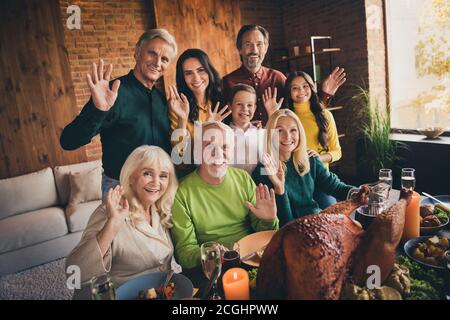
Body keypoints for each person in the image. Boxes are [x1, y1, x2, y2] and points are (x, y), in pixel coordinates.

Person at [60, 29, 177, 200]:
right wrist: (98, 110)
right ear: (137, 52)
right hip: (121, 190)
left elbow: (172, 152)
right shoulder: (112, 92)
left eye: (165, 59)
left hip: (157, 191)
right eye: (152, 53)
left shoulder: (162, 99)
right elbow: (68, 141)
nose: (158, 62)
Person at [66, 145, 181, 290]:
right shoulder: (109, 212)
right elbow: (74, 275)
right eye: (147, 173)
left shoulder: (161, 210)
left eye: (163, 176)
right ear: (131, 177)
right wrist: (112, 224)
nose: (156, 182)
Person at [171, 121, 278, 269]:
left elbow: (264, 235)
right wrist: (210, 253)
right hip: (212, 268)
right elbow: (184, 253)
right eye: (209, 146)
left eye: (225, 147)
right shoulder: (181, 192)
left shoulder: (243, 178)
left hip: (250, 260)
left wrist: (268, 220)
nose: (218, 153)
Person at [223, 24, 346, 126]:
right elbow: (222, 124)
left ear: (265, 48)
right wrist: (245, 129)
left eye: (259, 44)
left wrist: (324, 94)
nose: (254, 50)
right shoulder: (227, 82)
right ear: (239, 48)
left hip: (280, 148)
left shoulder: (278, 78)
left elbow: (303, 111)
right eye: (248, 44)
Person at [252, 109, 355, 227]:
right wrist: (279, 188)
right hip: (289, 231)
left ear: (300, 133)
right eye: (280, 131)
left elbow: (336, 187)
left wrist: (361, 193)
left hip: (317, 222)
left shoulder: (310, 160)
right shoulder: (263, 171)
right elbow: (284, 223)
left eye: (293, 130)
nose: (287, 136)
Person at [265, 71, 343, 208]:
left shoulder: (325, 115)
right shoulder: (286, 117)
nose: (301, 91)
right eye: (295, 88)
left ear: (312, 88)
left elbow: (337, 152)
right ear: (289, 92)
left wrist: (318, 158)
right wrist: (272, 115)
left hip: (319, 177)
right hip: (293, 179)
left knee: (330, 210)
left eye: (305, 86)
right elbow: (271, 145)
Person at [168, 49, 231, 176]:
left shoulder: (223, 100)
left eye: (201, 70)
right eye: (188, 73)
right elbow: (180, 161)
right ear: (183, 78)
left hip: (223, 172)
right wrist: (183, 119)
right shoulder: (177, 106)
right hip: (191, 177)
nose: (196, 78)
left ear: (209, 71)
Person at [228, 83, 265, 174]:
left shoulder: (262, 134)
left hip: (258, 185)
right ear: (230, 106)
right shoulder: (222, 135)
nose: (245, 109)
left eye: (249, 105)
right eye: (239, 104)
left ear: (255, 108)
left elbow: (269, 168)